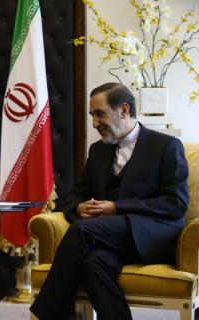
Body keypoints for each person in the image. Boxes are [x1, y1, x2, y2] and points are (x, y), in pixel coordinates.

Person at [29, 83, 189, 320]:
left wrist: (117, 207)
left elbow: (176, 203)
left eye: (100, 114)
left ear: (124, 110)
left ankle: (49, 314)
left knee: (82, 231)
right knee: (94, 264)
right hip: (109, 239)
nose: (94, 123)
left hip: (151, 234)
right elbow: (75, 194)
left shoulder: (166, 146)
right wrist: (79, 207)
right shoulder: (98, 151)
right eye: (92, 116)